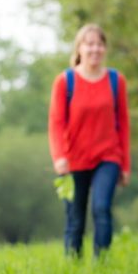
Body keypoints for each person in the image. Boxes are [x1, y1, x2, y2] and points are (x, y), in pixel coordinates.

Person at [48, 24, 131, 258]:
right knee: (75, 219)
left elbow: (123, 124)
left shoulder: (116, 81)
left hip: (108, 156)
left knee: (101, 209)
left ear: (104, 48)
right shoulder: (65, 82)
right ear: (79, 48)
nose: (95, 49)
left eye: (99, 44)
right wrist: (59, 156)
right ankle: (73, 267)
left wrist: (125, 165)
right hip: (74, 158)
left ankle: (102, 265)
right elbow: (56, 122)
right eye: (89, 44)